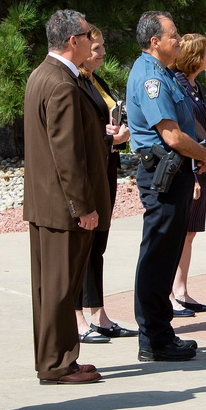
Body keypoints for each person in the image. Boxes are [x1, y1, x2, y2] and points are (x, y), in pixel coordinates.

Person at [126, 11, 206, 362]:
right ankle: (154, 337)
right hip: (161, 175)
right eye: (173, 35)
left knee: (164, 255)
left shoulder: (163, 73)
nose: (179, 40)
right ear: (155, 42)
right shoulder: (151, 77)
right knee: (158, 255)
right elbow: (171, 135)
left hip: (175, 172)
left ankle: (159, 333)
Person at [23, 10, 111, 384]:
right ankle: (57, 365)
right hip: (63, 207)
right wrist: (83, 207)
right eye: (88, 34)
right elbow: (67, 153)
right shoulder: (61, 83)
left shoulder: (43, 74)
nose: (93, 40)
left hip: (47, 204)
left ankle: (57, 359)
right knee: (59, 289)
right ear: (72, 41)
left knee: (50, 289)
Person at [74, 25, 136, 343]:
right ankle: (77, 318)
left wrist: (119, 138)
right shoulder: (72, 84)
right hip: (86, 174)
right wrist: (108, 139)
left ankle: (98, 313)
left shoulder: (97, 81)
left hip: (106, 168)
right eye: (97, 48)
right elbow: (74, 137)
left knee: (98, 245)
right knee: (81, 247)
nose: (102, 53)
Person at [170, 32, 206, 317]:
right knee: (178, 233)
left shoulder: (195, 85)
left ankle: (182, 289)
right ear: (195, 57)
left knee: (190, 233)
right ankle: (170, 294)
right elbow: (180, 131)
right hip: (188, 164)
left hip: (201, 164)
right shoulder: (177, 86)